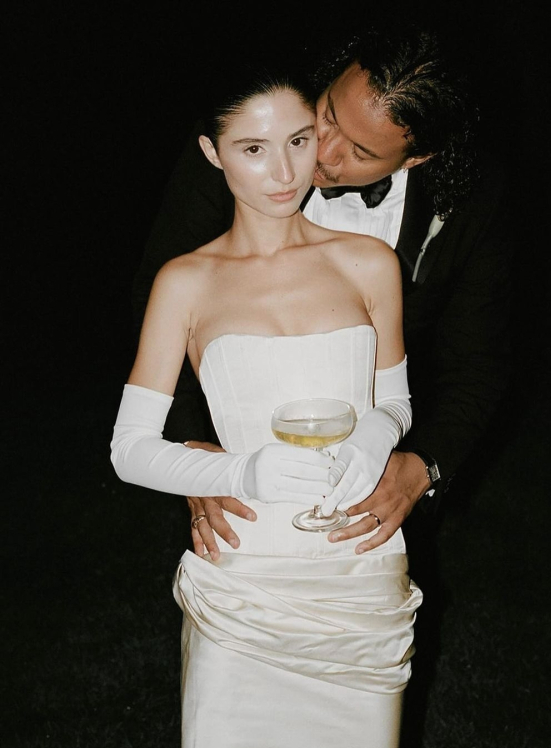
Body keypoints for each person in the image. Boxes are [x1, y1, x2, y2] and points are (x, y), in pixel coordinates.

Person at [131, 22, 514, 746]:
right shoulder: (252, 141)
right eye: (328, 116)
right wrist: (192, 449)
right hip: (244, 530)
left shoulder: (470, 203)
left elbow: (479, 362)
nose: (319, 156)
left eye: (360, 152)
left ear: (418, 156)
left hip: (360, 534)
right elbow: (160, 302)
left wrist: (421, 465)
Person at [112, 64, 423, 747]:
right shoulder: (184, 281)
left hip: (359, 570)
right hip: (244, 575)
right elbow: (129, 450)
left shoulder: (370, 262)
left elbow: (396, 398)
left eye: (299, 141)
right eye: (253, 149)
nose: (284, 172)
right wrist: (240, 472)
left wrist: (378, 430)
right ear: (212, 152)